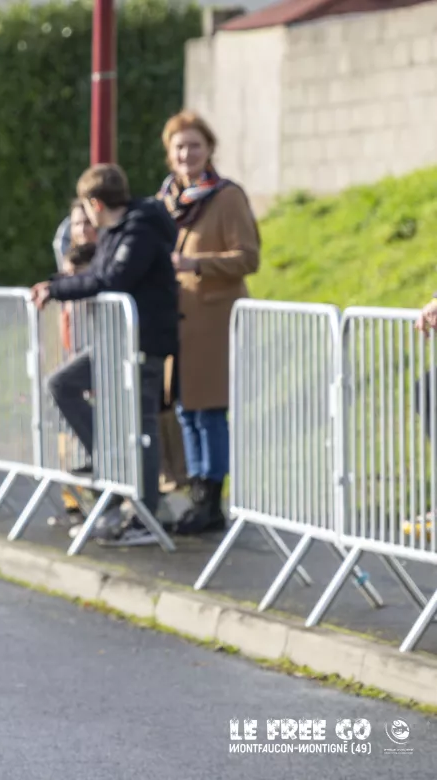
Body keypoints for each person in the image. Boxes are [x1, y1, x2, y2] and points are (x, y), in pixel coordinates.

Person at [31, 163, 179, 545]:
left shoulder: (139, 229)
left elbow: (112, 278)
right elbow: (98, 274)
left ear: (95, 203)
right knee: (63, 384)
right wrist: (56, 284)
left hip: (142, 343)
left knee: (142, 426)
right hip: (118, 342)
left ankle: (145, 517)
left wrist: (56, 289)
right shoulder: (118, 231)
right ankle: (112, 467)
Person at [157, 110, 260, 534]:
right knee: (185, 410)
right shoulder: (166, 200)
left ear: (209, 149)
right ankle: (197, 490)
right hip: (177, 322)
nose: (187, 154)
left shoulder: (227, 196)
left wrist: (195, 263)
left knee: (210, 413)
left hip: (214, 322)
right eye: (180, 147)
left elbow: (248, 257)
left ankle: (211, 500)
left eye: (195, 145)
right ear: (170, 154)